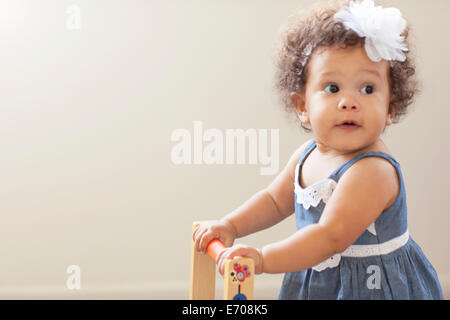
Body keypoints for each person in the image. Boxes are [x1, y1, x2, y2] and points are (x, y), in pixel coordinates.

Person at [192, 0, 443, 299]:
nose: (348, 101)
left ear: (391, 107)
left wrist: (262, 259)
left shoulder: (373, 171)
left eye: (367, 89)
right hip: (320, 278)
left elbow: (329, 237)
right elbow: (273, 201)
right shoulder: (307, 155)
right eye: (333, 88)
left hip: (369, 287)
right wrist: (231, 225)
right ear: (303, 107)